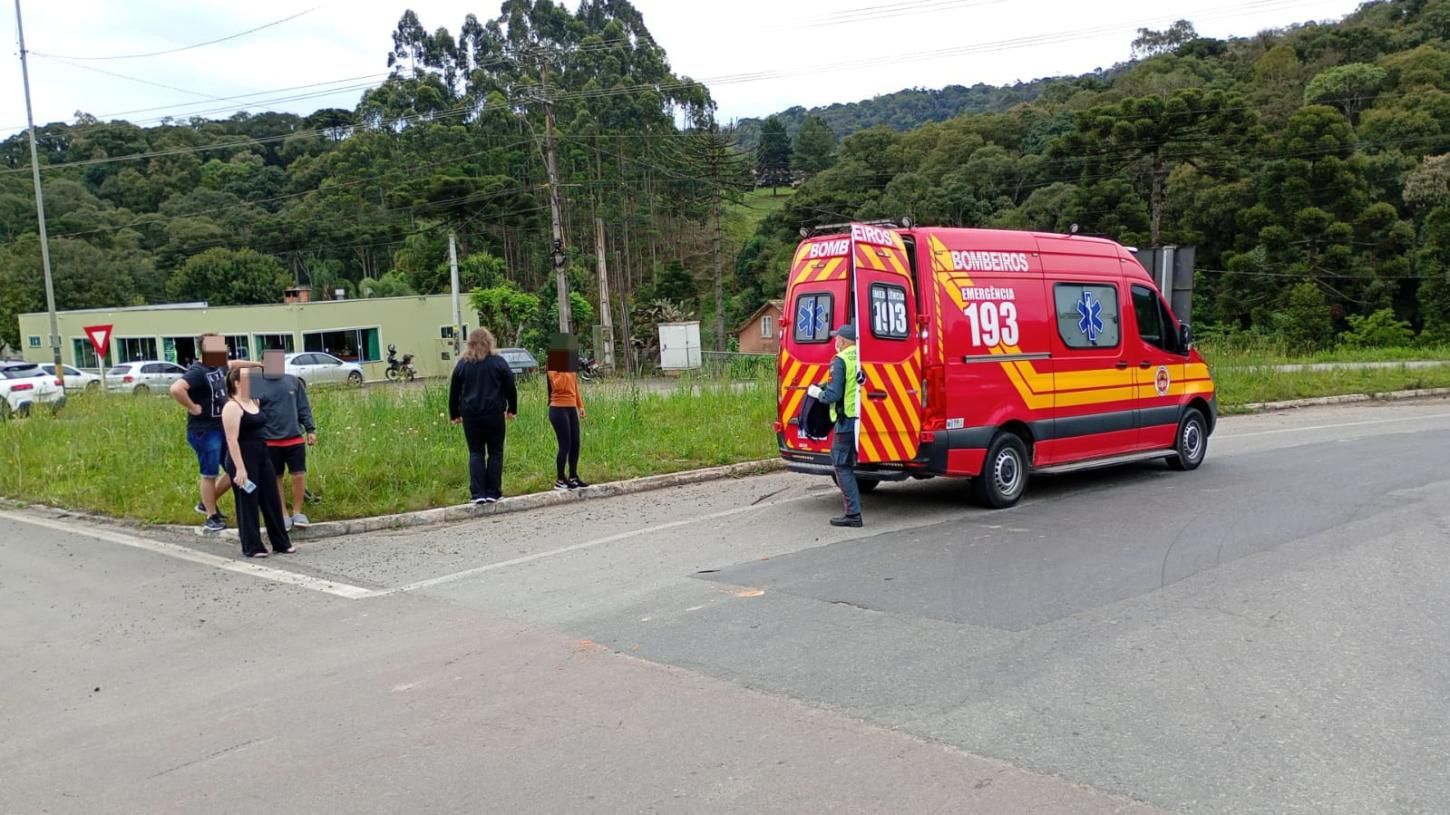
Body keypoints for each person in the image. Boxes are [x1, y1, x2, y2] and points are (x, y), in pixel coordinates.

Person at [168, 333, 256, 533]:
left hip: (223, 427)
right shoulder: (197, 371)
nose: (224, 350)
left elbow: (234, 363)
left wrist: (257, 364)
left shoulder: (219, 365)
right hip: (205, 430)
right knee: (209, 473)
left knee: (234, 467)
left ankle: (206, 502)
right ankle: (211, 515)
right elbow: (176, 389)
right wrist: (193, 407)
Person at [220, 367, 294, 558]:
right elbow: (231, 440)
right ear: (237, 383)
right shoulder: (232, 406)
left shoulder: (254, 401)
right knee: (248, 502)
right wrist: (240, 469)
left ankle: (281, 542)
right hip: (242, 458)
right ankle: (252, 546)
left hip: (262, 455)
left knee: (271, 499)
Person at [250, 349, 317, 531]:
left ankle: (297, 512)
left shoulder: (292, 381)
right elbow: (250, 409)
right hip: (269, 440)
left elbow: (304, 407)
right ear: (262, 362)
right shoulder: (256, 381)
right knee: (275, 478)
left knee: (298, 475)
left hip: (294, 438)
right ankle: (283, 514)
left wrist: (310, 429)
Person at [448, 327, 517, 504]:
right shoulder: (498, 362)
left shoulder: (463, 364)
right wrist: (512, 409)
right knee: (495, 451)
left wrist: (454, 413)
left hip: (470, 415)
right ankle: (493, 492)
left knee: (476, 452)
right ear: (489, 341)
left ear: (469, 342)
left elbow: (454, 391)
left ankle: (478, 494)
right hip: (494, 414)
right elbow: (510, 386)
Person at [807, 324, 865, 528]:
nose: (835, 341)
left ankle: (853, 515)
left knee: (841, 466)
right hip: (861, 418)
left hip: (846, 419)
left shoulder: (839, 360)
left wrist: (816, 394)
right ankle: (854, 512)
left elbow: (834, 395)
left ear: (844, 340)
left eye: (837, 338)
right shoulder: (863, 355)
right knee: (848, 464)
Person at [546, 336, 589, 491]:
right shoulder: (553, 367)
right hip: (558, 409)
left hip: (571, 407)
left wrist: (580, 405)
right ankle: (560, 479)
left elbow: (574, 386)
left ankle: (573, 475)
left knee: (575, 443)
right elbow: (559, 386)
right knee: (565, 444)